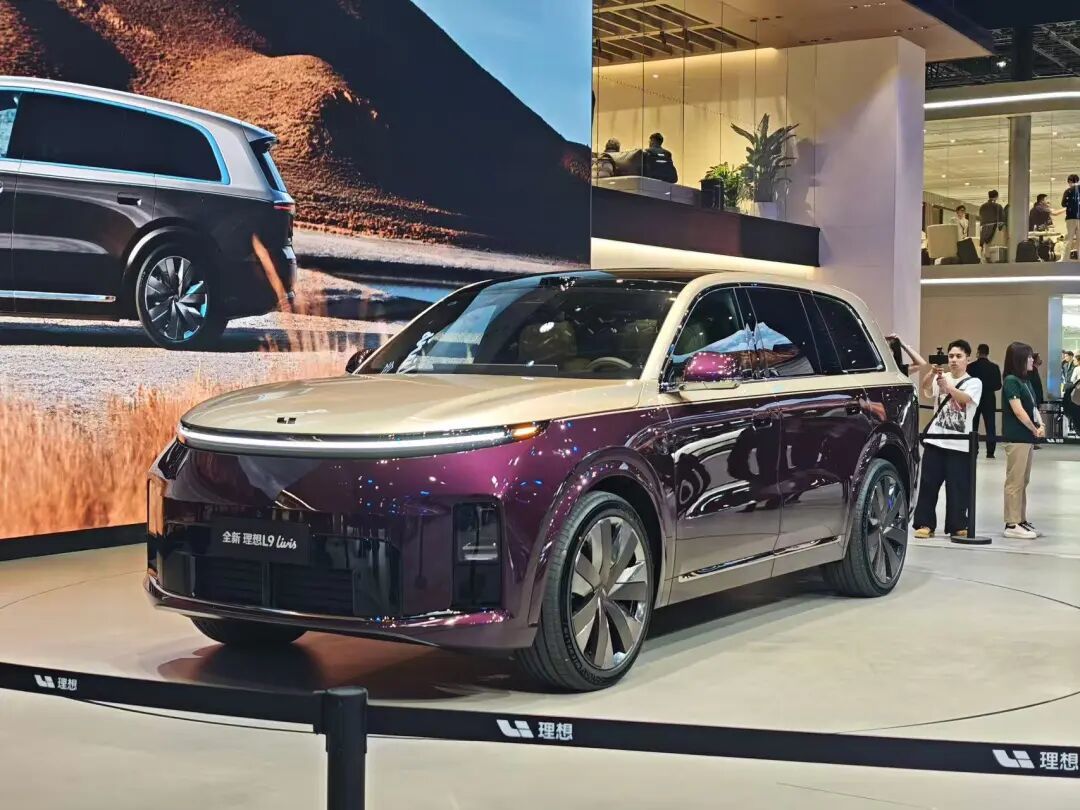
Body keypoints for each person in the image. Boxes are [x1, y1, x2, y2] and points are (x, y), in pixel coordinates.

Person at [913, 340, 983, 540]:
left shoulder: (974, 382)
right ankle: (925, 523)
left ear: (967, 359)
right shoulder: (941, 378)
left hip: (960, 444)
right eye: (951, 356)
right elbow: (926, 389)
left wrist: (948, 387)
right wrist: (931, 374)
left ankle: (958, 524)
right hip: (936, 440)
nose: (953, 360)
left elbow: (965, 399)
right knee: (928, 484)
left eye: (958, 356)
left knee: (958, 487)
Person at [1001, 342, 1044, 539]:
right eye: (1028, 357)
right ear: (1019, 359)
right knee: (1015, 481)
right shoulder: (1011, 381)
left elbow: (1032, 407)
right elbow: (1018, 411)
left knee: (1023, 480)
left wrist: (1040, 425)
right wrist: (1034, 428)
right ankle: (1012, 523)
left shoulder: (1025, 381)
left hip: (1027, 438)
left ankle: (1021, 519)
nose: (1032, 360)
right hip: (1017, 437)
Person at [967, 343, 1002, 458]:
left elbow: (967, 383)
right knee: (990, 426)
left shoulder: (970, 367)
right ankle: (990, 452)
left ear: (978, 352)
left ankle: (973, 449)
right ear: (988, 353)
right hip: (989, 399)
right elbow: (998, 385)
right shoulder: (994, 367)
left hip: (974, 398)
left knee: (973, 426)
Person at [979, 190, 1006, 258]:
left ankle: (987, 258)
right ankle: (994, 258)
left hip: (984, 230)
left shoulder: (982, 206)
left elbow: (981, 217)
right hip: (994, 228)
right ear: (996, 197)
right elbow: (1002, 219)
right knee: (994, 247)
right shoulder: (998, 206)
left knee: (986, 246)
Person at [1062, 174, 1080, 260]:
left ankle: (1065, 259)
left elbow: (1063, 204)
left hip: (1071, 218)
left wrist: (1070, 204)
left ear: (1069, 181)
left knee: (1069, 239)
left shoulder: (1068, 191)